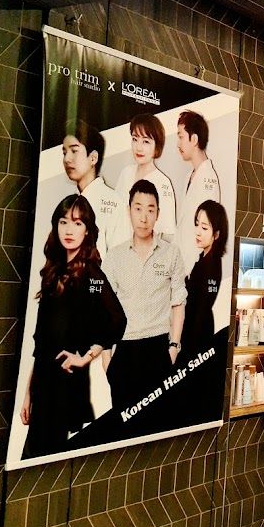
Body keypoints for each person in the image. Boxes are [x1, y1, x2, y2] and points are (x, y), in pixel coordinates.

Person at [19, 195, 126, 458]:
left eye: (77, 223)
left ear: (87, 229)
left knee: (42, 462)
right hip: (43, 383)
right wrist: (27, 393)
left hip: (64, 386)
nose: (69, 229)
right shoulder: (54, 272)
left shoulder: (91, 274)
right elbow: (41, 342)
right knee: (34, 459)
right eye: (63, 221)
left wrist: (86, 358)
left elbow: (118, 320)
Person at [104, 179, 187, 410]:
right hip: (124, 351)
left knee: (157, 423)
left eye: (150, 210)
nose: (144, 217)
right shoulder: (114, 257)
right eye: (138, 208)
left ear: (158, 213)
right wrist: (106, 357)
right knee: (123, 429)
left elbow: (178, 303)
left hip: (158, 350)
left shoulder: (171, 254)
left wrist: (173, 347)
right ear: (128, 210)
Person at [61, 120, 125, 257]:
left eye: (74, 151)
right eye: (64, 152)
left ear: (93, 158)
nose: (67, 159)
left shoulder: (115, 202)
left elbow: (119, 263)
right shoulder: (67, 204)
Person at [114, 114, 177, 240]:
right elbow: (114, 217)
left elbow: (168, 234)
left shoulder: (163, 183)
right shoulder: (126, 173)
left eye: (146, 141)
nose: (139, 147)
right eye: (135, 139)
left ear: (157, 146)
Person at [180, 200, 227, 367]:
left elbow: (202, 307)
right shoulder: (202, 260)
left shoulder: (212, 265)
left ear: (217, 234)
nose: (198, 232)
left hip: (197, 339)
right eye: (197, 224)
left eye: (205, 228)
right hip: (193, 335)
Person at [176, 110, 221, 270]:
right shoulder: (190, 175)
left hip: (195, 268)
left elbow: (206, 230)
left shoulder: (208, 178)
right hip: (182, 265)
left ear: (193, 139)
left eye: (181, 137)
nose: (178, 144)